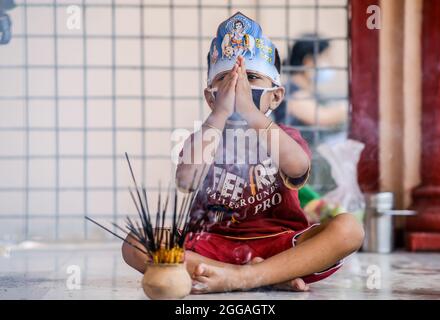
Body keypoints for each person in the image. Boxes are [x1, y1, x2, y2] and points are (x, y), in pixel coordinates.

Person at [122, 12, 364, 293]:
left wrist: (251, 112)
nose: (239, 88)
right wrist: (221, 114)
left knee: (349, 228)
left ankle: (250, 276)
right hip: (209, 244)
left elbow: (297, 168)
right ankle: (252, 277)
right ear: (211, 96)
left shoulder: (285, 137)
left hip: (280, 246)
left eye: (251, 78)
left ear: (276, 96)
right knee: (136, 242)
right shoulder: (204, 137)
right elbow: (186, 180)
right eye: (226, 79)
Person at [274, 34, 348, 146]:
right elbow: (322, 117)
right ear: (308, 61)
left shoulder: (310, 92)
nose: (330, 63)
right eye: (326, 58)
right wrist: (350, 108)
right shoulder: (291, 93)